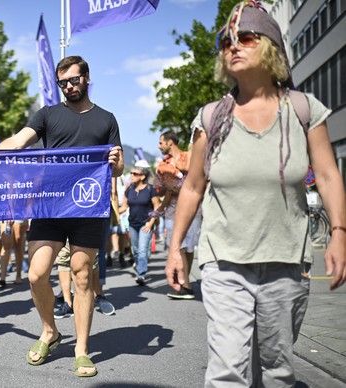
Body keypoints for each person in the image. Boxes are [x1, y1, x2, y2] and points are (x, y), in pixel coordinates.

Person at [165, 2, 346, 386]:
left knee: (277, 372)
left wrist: (339, 234)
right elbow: (193, 186)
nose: (234, 46)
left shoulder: (303, 110)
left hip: (286, 261)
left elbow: (329, 177)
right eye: (227, 41)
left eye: (245, 38)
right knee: (228, 370)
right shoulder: (212, 117)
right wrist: (175, 247)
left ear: (271, 47)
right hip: (224, 262)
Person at [0, 55, 124, 377]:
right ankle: (50, 330)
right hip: (49, 205)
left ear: (87, 78)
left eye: (74, 80)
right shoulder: (48, 114)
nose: (68, 86)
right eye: (62, 82)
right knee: (37, 275)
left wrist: (117, 160)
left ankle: (81, 350)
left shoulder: (107, 119)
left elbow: (116, 169)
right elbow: (18, 141)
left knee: (81, 274)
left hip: (87, 208)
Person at [155, 131, 201, 299]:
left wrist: (176, 175)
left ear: (169, 143)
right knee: (179, 244)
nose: (159, 146)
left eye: (161, 143)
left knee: (188, 247)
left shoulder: (187, 157)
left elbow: (196, 178)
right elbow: (160, 188)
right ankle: (185, 285)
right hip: (173, 209)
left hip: (192, 207)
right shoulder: (163, 165)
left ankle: (185, 282)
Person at [119, 160, 159, 286]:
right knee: (135, 250)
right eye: (131, 173)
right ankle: (140, 267)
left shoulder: (150, 189)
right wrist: (111, 213)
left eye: (135, 174)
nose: (131, 175)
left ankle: (141, 274)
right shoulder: (129, 189)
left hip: (145, 224)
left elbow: (157, 207)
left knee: (142, 250)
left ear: (143, 176)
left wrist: (151, 223)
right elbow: (124, 207)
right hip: (132, 224)